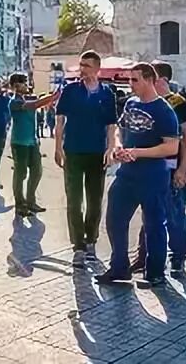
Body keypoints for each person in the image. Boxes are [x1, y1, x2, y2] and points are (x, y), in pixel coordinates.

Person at [97, 63, 179, 289]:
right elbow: (119, 130)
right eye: (129, 80)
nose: (130, 85)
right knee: (115, 219)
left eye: (135, 80)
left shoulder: (164, 111)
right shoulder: (131, 104)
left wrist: (139, 153)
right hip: (127, 175)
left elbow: (172, 147)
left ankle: (155, 273)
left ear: (149, 80)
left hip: (153, 175)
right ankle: (119, 267)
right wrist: (119, 147)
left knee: (154, 225)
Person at [54, 50, 118, 268]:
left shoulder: (107, 94)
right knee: (73, 200)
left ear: (97, 68)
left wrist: (111, 148)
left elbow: (111, 125)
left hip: (97, 153)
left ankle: (91, 241)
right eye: (81, 65)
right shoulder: (70, 90)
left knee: (94, 201)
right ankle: (78, 246)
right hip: (73, 151)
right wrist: (57, 147)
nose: (83, 69)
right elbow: (60, 120)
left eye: (87, 66)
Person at [132, 61, 186, 278]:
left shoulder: (177, 102)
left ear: (160, 79)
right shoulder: (142, 102)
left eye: (151, 77)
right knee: (149, 214)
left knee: (174, 214)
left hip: (170, 167)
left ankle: (178, 256)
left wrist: (182, 169)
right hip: (148, 168)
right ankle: (143, 257)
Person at [8, 72, 59, 218]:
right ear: (16, 85)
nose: (27, 85)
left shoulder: (24, 99)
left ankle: (30, 201)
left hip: (32, 141)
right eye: (24, 82)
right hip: (20, 143)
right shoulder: (15, 102)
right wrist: (53, 96)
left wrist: (50, 99)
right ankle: (20, 204)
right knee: (21, 173)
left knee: (37, 171)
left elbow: (38, 102)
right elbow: (36, 104)